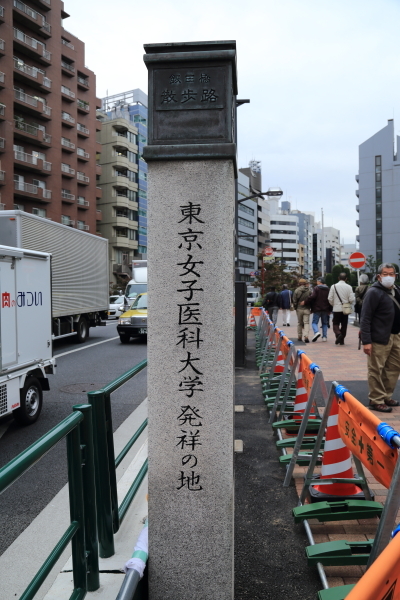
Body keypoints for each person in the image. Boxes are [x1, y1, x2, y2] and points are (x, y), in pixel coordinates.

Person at [360, 263, 400, 413]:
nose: (389, 276)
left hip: (396, 336)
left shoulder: (396, 290)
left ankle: (386, 396)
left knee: (394, 368)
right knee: (376, 369)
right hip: (378, 337)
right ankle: (376, 399)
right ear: (379, 276)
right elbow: (365, 318)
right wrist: (367, 341)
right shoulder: (373, 292)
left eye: (391, 274)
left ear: (396, 276)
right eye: (385, 274)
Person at [328, 273, 355, 345]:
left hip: (336, 308)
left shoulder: (333, 286)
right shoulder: (349, 287)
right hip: (345, 308)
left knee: (335, 323)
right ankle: (342, 340)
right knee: (344, 324)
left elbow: (330, 298)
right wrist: (347, 302)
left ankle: (338, 333)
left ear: (338, 278)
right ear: (346, 279)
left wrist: (333, 304)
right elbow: (352, 299)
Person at [303, 277, 332, 342]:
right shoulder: (328, 289)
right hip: (325, 308)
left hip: (317, 308)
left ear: (319, 282)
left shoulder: (316, 288)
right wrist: (330, 309)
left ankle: (316, 332)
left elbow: (312, 297)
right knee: (324, 323)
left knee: (314, 322)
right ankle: (324, 337)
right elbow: (330, 299)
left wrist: (306, 302)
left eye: (317, 281)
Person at [293, 279, 311, 343]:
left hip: (299, 308)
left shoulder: (297, 290)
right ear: (305, 283)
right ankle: (306, 336)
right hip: (307, 308)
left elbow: (294, 300)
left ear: (299, 283)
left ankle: (299, 336)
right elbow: (311, 299)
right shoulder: (309, 290)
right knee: (306, 323)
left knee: (299, 323)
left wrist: (295, 307)